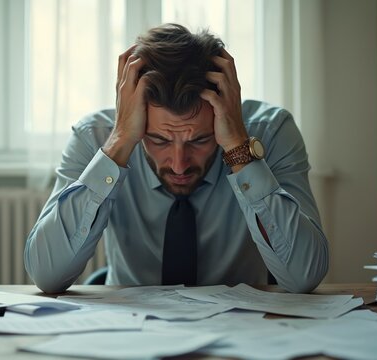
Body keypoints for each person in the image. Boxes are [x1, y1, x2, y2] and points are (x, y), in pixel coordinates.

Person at [24, 23, 328, 294]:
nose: (179, 163)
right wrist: (120, 142)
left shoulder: (271, 133)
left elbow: (304, 276)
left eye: (200, 139)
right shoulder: (94, 136)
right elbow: (47, 276)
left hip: (241, 332)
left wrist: (237, 145)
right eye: (159, 139)